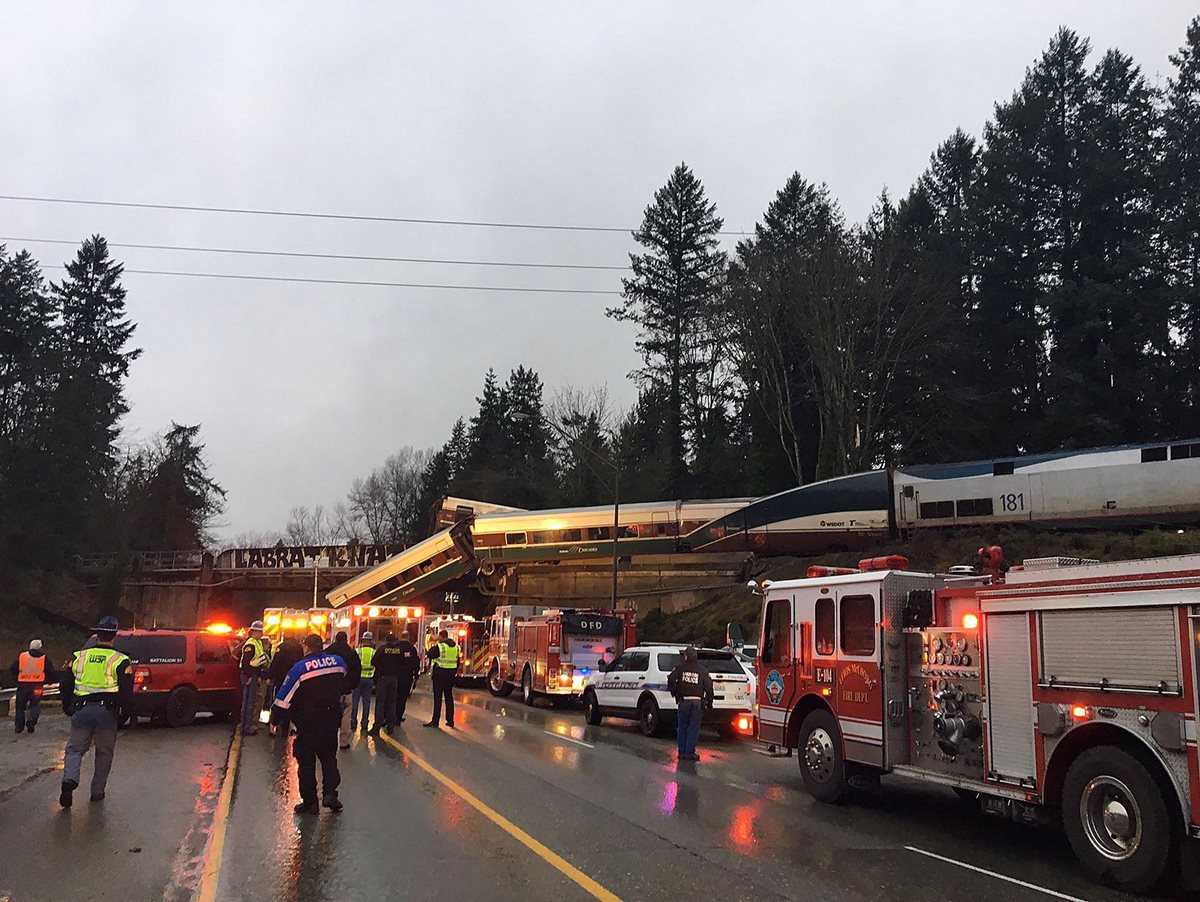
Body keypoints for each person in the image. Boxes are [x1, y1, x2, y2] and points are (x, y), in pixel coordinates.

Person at [57, 616, 133, 807]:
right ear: (114, 635)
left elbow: (65, 684)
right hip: (107, 713)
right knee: (104, 752)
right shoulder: (121, 660)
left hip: (81, 710)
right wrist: (125, 713)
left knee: (74, 750)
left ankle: (70, 780)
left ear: (96, 634)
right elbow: (126, 690)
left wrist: (67, 706)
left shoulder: (78, 656)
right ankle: (97, 792)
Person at [273, 633, 352, 814]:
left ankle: (310, 803)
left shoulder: (299, 669)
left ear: (306, 647)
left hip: (308, 722)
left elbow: (283, 699)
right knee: (329, 758)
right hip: (331, 720)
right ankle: (330, 794)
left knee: (306, 763)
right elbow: (347, 681)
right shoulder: (338, 662)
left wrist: (276, 719)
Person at [667, 646, 713, 762]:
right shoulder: (702, 669)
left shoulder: (680, 668)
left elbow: (671, 679)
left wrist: (675, 692)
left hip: (684, 701)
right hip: (697, 702)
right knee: (693, 728)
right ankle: (689, 753)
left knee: (682, 727)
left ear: (686, 656)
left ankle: (682, 752)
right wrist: (709, 701)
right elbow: (708, 686)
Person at [370, 630, 420, 735]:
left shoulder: (382, 649)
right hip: (394, 679)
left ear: (386, 640)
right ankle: (391, 726)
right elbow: (405, 663)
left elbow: (373, 662)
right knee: (392, 703)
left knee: (381, 703)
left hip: (383, 678)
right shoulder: (399, 651)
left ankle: (377, 726)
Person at [10, 639, 56, 735]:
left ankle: (19, 726)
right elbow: (50, 671)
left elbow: (13, 668)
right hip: (37, 685)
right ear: (40, 647)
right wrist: (50, 681)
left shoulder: (23, 656)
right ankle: (32, 720)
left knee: (20, 706)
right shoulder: (44, 658)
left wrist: (16, 678)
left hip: (23, 685)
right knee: (35, 704)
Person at [325, 630, 361, 750]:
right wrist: (352, 686)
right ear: (346, 639)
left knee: (328, 714)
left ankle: (327, 740)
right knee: (346, 715)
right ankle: (343, 742)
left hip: (329, 689)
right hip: (345, 689)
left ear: (335, 639)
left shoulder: (327, 652)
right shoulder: (351, 653)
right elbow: (357, 671)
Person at [268, 635, 305, 737]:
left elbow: (276, 662)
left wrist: (270, 676)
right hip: (296, 680)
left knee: (279, 702)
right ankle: (287, 726)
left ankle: (275, 724)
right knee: (293, 702)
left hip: (282, 679)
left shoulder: (282, 647)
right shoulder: (299, 647)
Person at [239, 620, 271, 735]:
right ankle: (245, 728)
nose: (262, 634)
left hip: (253, 675)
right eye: (260, 632)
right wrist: (250, 676)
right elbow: (246, 663)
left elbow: (257, 662)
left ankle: (247, 726)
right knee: (248, 702)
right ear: (254, 632)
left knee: (251, 702)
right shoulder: (251, 644)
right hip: (249, 676)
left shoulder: (256, 643)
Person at [425, 629, 460, 729]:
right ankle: (450, 720)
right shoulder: (456, 647)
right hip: (451, 675)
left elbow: (430, 654)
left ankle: (435, 721)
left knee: (438, 697)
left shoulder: (440, 646)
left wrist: (435, 642)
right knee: (449, 697)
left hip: (440, 674)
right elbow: (458, 662)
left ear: (441, 636)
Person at [350, 632, 376, 734]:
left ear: (363, 641)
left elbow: (353, 666)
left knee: (355, 702)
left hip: (358, 680)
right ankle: (365, 723)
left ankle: (353, 722)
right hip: (369, 679)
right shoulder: (374, 652)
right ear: (370, 641)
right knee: (367, 702)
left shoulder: (357, 651)